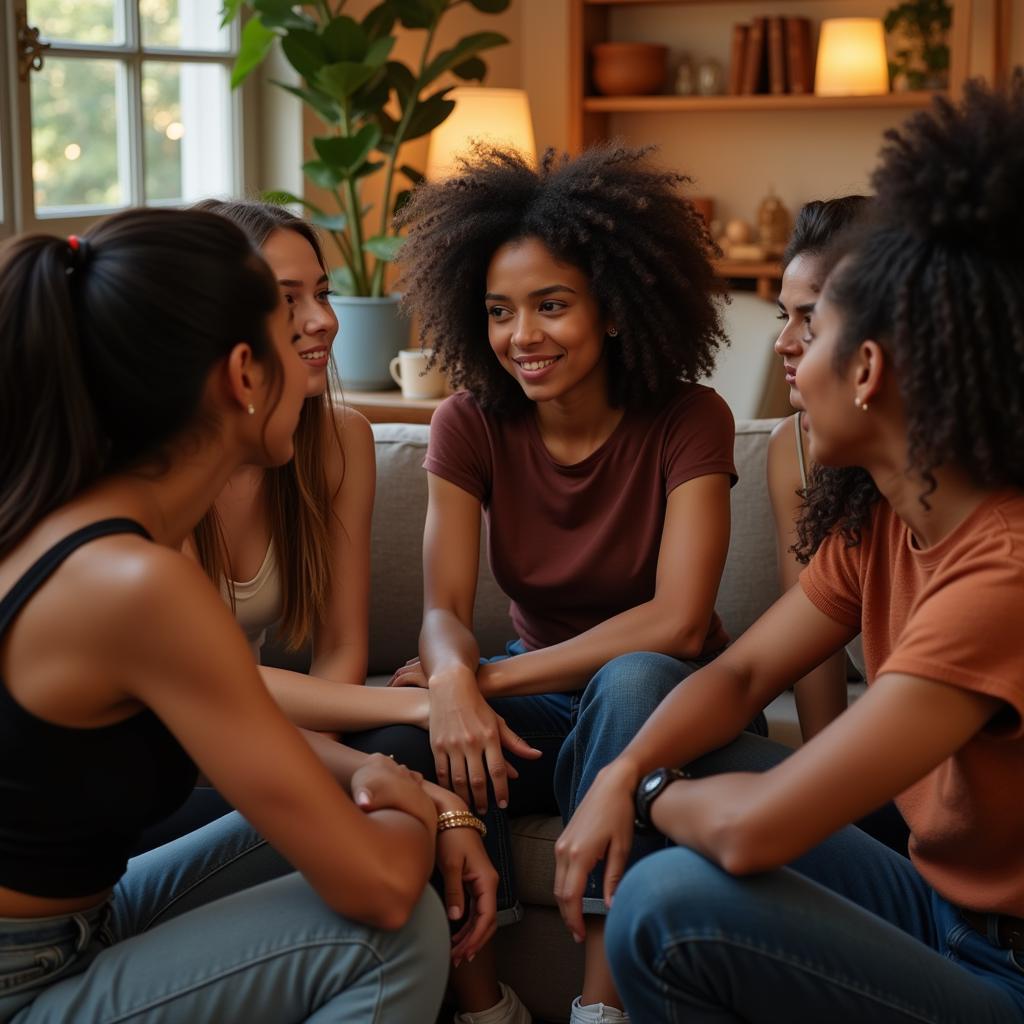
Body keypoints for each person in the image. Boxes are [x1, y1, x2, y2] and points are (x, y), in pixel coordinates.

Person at [556, 79, 1024, 1022]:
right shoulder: (885, 521)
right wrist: (617, 770)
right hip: (938, 905)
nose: (788, 357)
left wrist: (642, 793)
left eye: (812, 329)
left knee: (663, 905)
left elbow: (753, 832)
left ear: (869, 367)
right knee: (679, 736)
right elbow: (737, 680)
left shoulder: (1003, 569)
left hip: (1007, 973)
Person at [0, 208, 452, 1022]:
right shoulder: (137, 585)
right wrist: (425, 813)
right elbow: (381, 888)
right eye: (287, 329)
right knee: (393, 926)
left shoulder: (66, 521)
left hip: (71, 922)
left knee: (354, 822)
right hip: (21, 975)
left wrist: (382, 778)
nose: (315, 339)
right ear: (243, 374)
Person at [374, 143, 766, 1024]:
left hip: (669, 698)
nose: (523, 336)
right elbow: (441, 607)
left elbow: (676, 621)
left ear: (618, 310)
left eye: (552, 306)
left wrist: (484, 681)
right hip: (548, 703)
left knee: (627, 680)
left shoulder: (689, 417)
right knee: (408, 742)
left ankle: (602, 1007)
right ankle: (486, 1006)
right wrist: (447, 683)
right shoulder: (467, 421)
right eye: (500, 311)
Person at [768, 196, 869, 741]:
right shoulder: (798, 450)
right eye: (783, 315)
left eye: (809, 317)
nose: (783, 341)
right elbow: (799, 652)